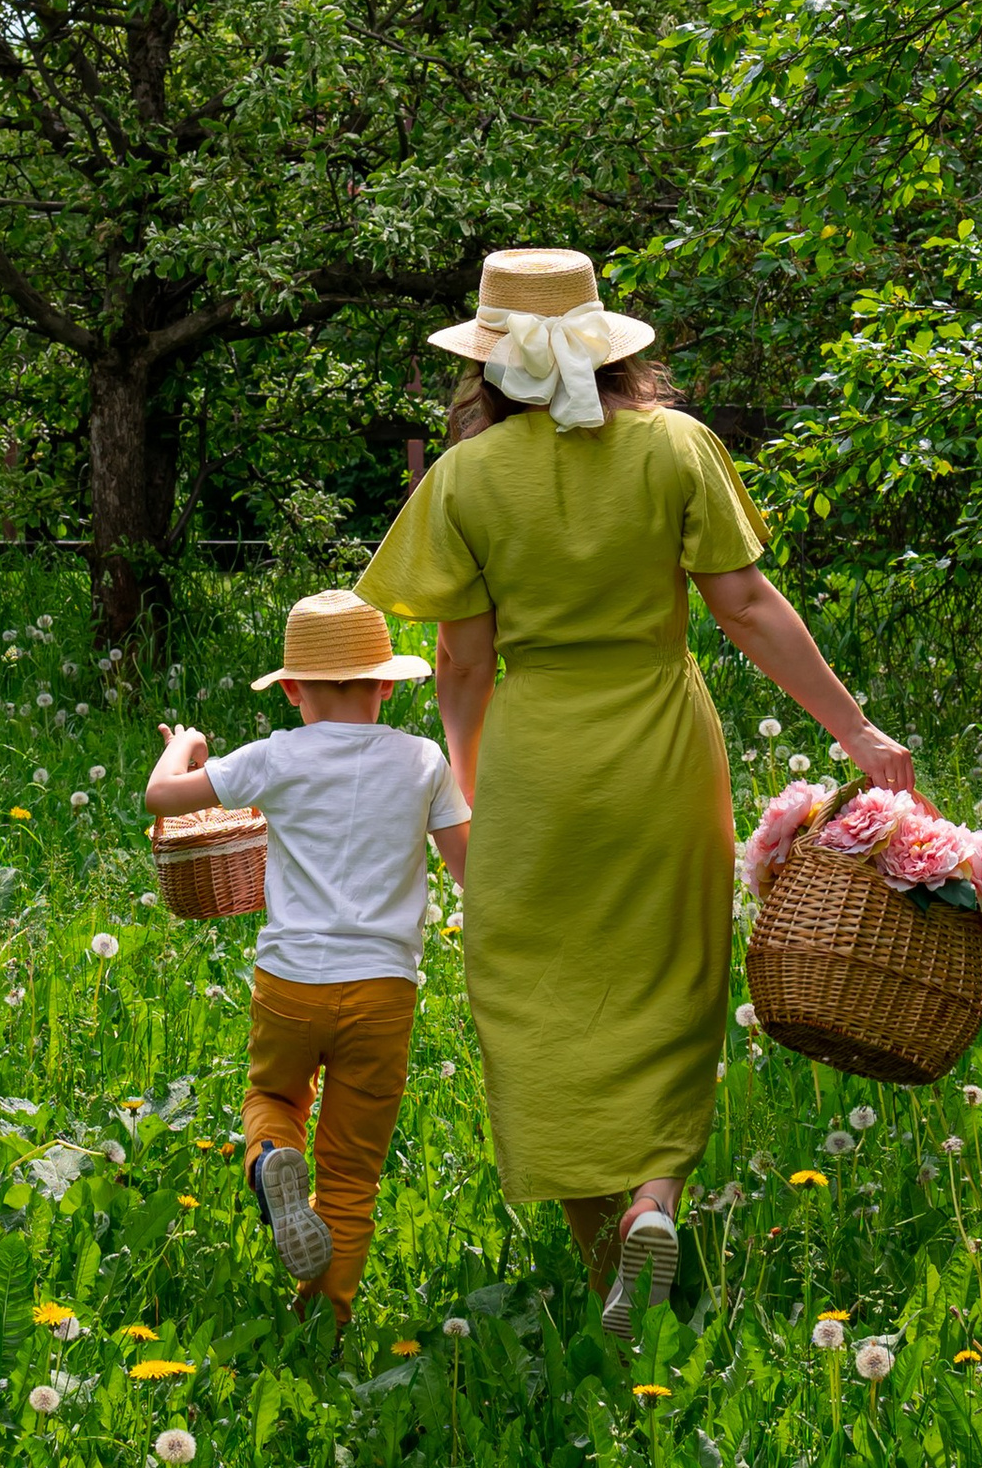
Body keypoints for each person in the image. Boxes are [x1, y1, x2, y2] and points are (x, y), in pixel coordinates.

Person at [356, 247, 911, 1337]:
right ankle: (656, 1201)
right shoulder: (676, 447)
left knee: (531, 995)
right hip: (659, 741)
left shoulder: (461, 479)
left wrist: (468, 794)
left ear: (487, 363)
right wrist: (854, 728)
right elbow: (745, 606)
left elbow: (463, 666)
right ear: (610, 348)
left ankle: (609, 1253)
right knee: (671, 978)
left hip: (534, 755)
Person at [144, 588, 470, 1329]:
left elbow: (161, 795)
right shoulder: (423, 761)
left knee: (275, 1099)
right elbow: (470, 871)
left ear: (291, 689)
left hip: (290, 982)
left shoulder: (275, 756)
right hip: (384, 992)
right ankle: (327, 1326)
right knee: (352, 1174)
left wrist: (187, 741)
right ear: (388, 683)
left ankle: (268, 1163)